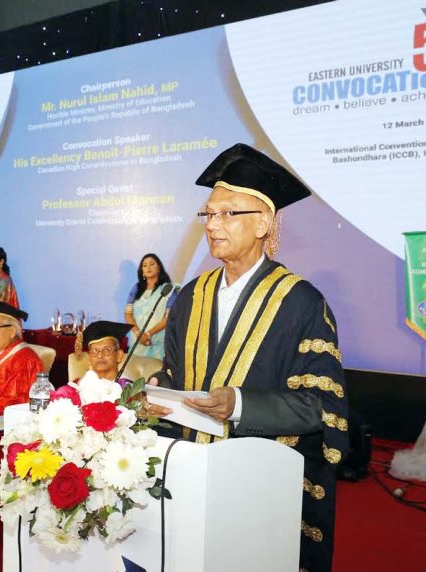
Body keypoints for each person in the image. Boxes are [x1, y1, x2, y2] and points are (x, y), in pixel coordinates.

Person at [144, 143, 349, 572]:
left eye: (227, 213)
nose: (212, 225)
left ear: (263, 224)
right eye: (208, 214)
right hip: (188, 472)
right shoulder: (190, 297)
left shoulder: (300, 302)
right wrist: (160, 390)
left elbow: (322, 407)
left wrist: (239, 405)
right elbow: (176, 373)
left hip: (256, 482)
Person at [125, 254, 178, 361]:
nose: (148, 268)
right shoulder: (136, 289)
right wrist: (138, 334)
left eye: (152, 264)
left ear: (159, 267)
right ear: (142, 271)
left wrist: (148, 334)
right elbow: (128, 314)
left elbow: (168, 317)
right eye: (144, 265)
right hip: (137, 342)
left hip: (159, 344)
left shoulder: (168, 289)